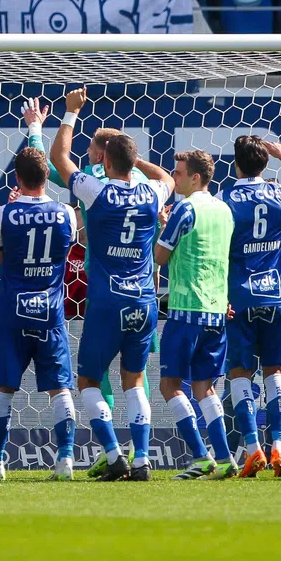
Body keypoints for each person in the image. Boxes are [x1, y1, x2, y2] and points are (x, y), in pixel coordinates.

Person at [50, 87, 174, 481]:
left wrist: (71, 113)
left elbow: (58, 159)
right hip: (144, 300)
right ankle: (142, 460)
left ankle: (112, 452)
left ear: (104, 159)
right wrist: (139, 160)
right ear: (133, 160)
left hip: (107, 300)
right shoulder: (152, 192)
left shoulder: (96, 189)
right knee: (134, 380)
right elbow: (167, 177)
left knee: (87, 379)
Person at [0, 120, 80, 482]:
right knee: (60, 387)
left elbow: (0, 257)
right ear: (45, 176)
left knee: (3, 389)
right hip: (51, 311)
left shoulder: (2, 213)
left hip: (13, 312)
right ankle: (66, 461)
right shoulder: (66, 214)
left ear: (17, 177)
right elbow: (67, 250)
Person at [219, 134, 281, 478]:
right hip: (275, 295)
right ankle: (280, 449)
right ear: (266, 163)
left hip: (238, 298)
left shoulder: (224, 198)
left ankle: (252, 449)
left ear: (236, 163)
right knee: (275, 373)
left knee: (240, 374)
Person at [153, 148, 237, 479]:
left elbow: (161, 256)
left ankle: (201, 456)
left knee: (170, 385)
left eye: (177, 172)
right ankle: (227, 458)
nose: (174, 177)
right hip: (217, 310)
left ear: (195, 177)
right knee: (205, 387)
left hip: (187, 310)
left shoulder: (186, 208)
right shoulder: (224, 210)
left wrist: (164, 225)